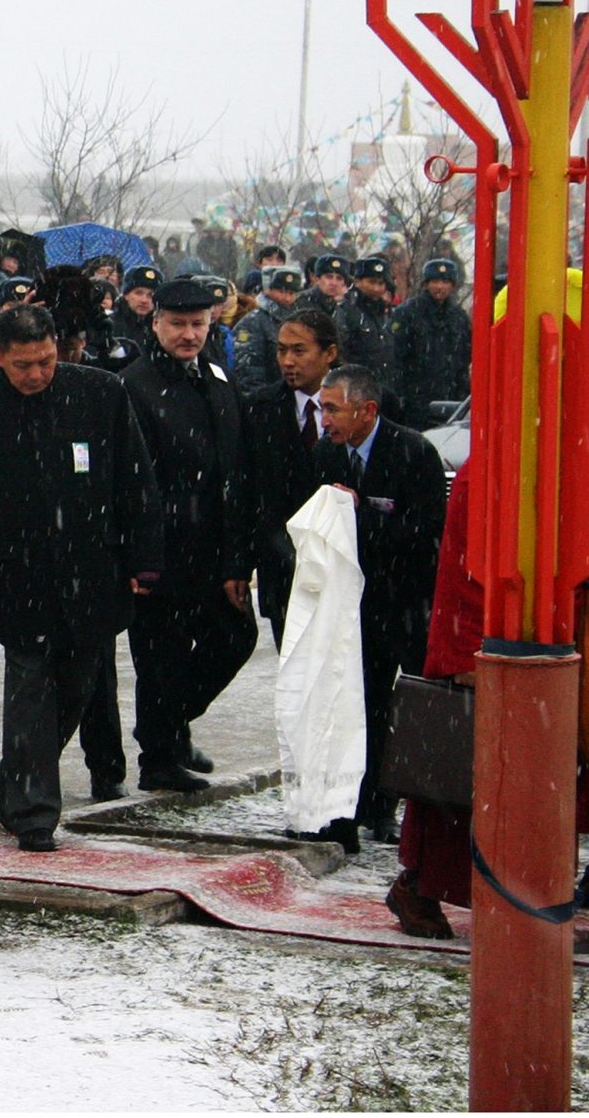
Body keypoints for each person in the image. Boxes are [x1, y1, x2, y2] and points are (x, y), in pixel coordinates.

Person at [0, 305, 162, 847]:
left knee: (78, 686)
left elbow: (135, 477)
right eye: (23, 365)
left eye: (45, 361)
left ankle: (17, 771)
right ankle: (35, 812)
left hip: (93, 569)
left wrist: (145, 558)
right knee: (31, 688)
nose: (37, 374)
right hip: (18, 577)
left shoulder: (100, 394)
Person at [119, 277, 258, 792]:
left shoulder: (218, 379)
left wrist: (235, 561)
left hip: (213, 547)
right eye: (177, 324)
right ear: (156, 324)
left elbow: (236, 473)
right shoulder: (135, 386)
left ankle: (169, 724)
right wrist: (142, 557)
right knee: (160, 654)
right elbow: (134, 481)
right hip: (162, 549)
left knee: (235, 636)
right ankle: (158, 755)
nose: (188, 334)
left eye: (198, 324)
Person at [313, 364, 448, 841]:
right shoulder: (325, 456)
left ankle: (404, 812)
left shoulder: (413, 452)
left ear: (366, 410)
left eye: (332, 409)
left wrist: (361, 515)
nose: (323, 420)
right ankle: (358, 806)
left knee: (410, 711)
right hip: (355, 607)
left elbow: (428, 532)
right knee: (360, 708)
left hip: (409, 603)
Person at [242, 310, 341, 649]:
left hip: (343, 568)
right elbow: (249, 491)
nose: (288, 361)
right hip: (284, 569)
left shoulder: (360, 404)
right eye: (281, 350)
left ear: (329, 354)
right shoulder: (259, 409)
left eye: (299, 351)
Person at [390, 258, 471, 427]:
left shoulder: (459, 317)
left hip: (451, 400)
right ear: (426, 284)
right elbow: (396, 357)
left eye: (445, 282)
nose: (440, 287)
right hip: (417, 399)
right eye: (435, 281)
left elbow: (464, 358)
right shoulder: (408, 313)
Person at [335, 256, 397, 402]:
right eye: (371, 282)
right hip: (356, 391)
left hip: (385, 389)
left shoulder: (386, 312)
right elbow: (340, 352)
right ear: (358, 282)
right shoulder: (346, 310)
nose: (376, 288)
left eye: (381, 283)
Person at [233, 264, 303, 393]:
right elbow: (248, 369)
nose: (287, 298)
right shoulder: (252, 322)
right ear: (268, 290)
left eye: (291, 293)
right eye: (281, 291)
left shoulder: (300, 320)